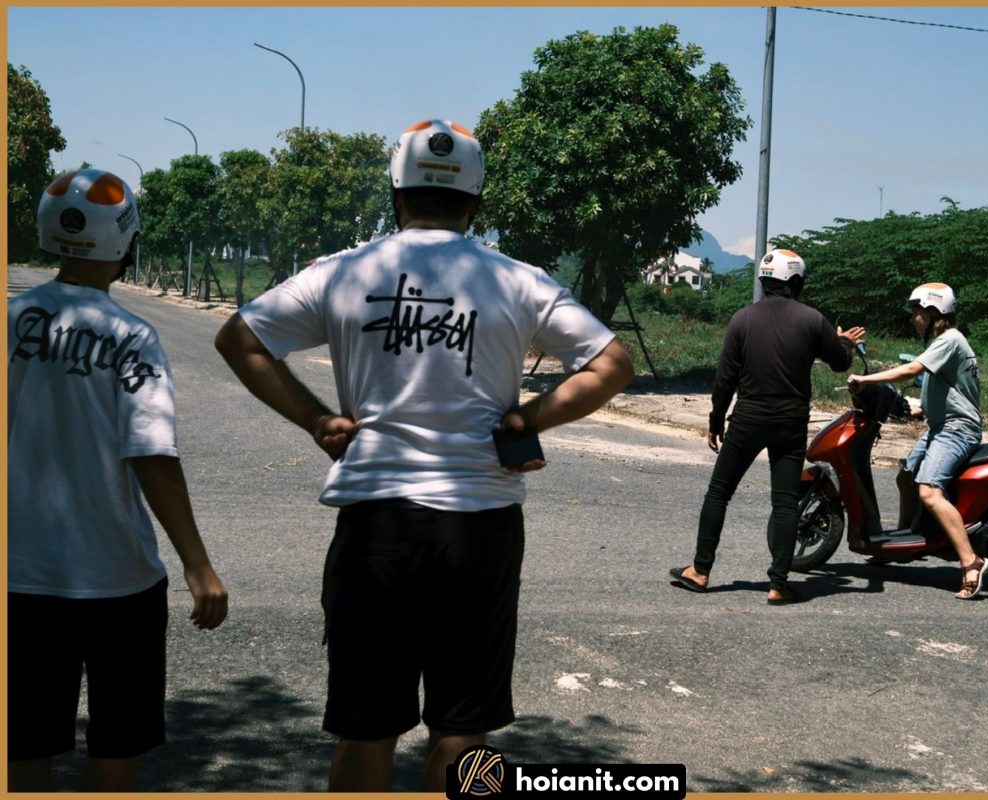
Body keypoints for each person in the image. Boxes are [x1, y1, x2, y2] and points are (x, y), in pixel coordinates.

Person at [214, 119, 634, 791]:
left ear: (396, 194)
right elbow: (610, 364)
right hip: (482, 522)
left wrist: (316, 418)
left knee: (365, 728)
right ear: (476, 200)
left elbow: (240, 339)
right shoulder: (517, 280)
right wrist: (528, 418)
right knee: (466, 733)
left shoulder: (347, 272)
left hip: (376, 522)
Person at [7, 168, 229, 792]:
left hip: (17, 578)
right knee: (115, 749)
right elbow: (152, 454)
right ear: (126, 243)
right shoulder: (132, 336)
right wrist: (197, 563)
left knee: (22, 747)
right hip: (118, 582)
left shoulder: (10, 319)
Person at [670, 249, 865, 604]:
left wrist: (715, 421)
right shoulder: (812, 320)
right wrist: (844, 343)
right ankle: (778, 583)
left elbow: (724, 379)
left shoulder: (742, 320)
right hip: (790, 422)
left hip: (747, 418)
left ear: (764, 281)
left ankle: (700, 571)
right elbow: (840, 362)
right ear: (795, 282)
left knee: (719, 492)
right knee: (785, 501)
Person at [848, 282, 987, 600]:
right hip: (942, 425)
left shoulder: (950, 339)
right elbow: (950, 388)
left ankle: (971, 562)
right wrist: (917, 407)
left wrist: (865, 379)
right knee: (906, 475)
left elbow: (912, 369)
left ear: (934, 311)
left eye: (917, 311)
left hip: (957, 429)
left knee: (929, 491)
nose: (913, 318)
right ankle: (906, 543)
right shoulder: (945, 341)